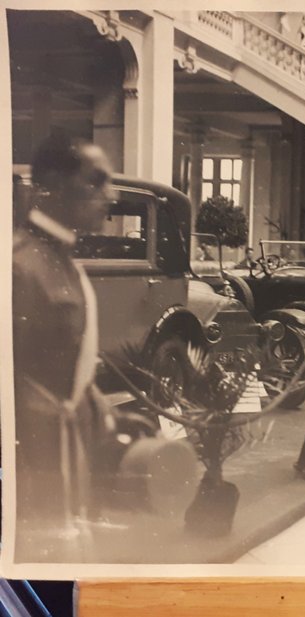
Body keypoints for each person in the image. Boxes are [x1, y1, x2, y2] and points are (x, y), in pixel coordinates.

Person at [13, 133, 117, 533]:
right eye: (96, 181)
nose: (109, 195)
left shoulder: (62, 260)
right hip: (34, 470)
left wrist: (89, 397)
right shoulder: (20, 267)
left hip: (64, 459)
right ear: (54, 185)